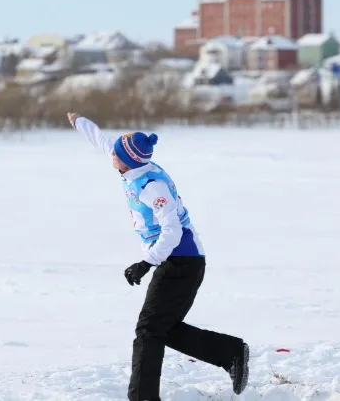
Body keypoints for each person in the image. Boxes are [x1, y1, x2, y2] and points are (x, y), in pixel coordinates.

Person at [67, 112, 250, 401]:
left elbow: (172, 230)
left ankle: (143, 397)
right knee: (163, 329)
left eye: (117, 152)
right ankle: (230, 353)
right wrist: (79, 122)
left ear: (128, 159)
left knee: (149, 330)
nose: (111, 154)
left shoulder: (151, 187)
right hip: (179, 260)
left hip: (181, 261)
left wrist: (145, 263)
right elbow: (103, 142)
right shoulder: (132, 164)